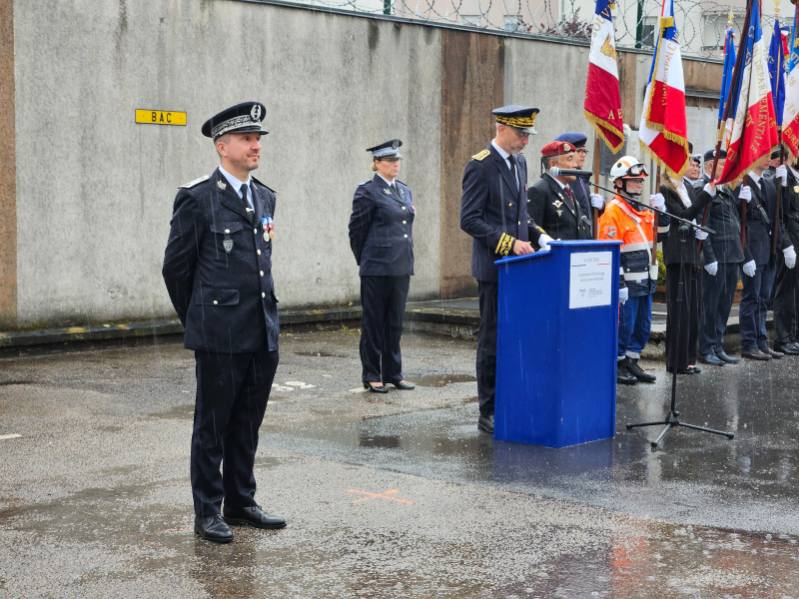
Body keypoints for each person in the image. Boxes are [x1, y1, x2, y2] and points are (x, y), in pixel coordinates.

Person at [162, 101, 286, 543]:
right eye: (247, 139)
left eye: (258, 139)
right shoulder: (197, 198)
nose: (256, 145)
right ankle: (208, 511)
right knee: (212, 426)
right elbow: (177, 270)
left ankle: (241, 500)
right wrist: (202, 319)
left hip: (261, 329)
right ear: (222, 146)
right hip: (220, 332)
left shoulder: (266, 196)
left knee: (247, 421)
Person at [460, 105, 552, 434]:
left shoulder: (520, 163)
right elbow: (469, 219)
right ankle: (489, 409)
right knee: (492, 339)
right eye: (520, 133)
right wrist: (508, 243)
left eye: (528, 134)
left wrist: (541, 236)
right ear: (501, 128)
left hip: (521, 268)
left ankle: (512, 399)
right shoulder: (480, 165)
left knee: (517, 338)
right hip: (495, 267)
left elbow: (521, 217)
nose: (525, 140)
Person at [348, 139, 416, 393]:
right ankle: (372, 374)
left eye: (396, 160)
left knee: (395, 323)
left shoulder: (404, 190)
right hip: (377, 267)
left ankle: (393, 372)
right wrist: (366, 260)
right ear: (376, 164)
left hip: (401, 265)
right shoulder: (367, 191)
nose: (394, 164)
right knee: (374, 323)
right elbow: (357, 231)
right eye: (388, 160)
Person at [597, 156, 667, 385]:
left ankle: (632, 360)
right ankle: (617, 364)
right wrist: (619, 285)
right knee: (623, 326)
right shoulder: (613, 212)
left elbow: (662, 233)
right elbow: (609, 251)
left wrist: (662, 210)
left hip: (645, 281)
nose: (639, 185)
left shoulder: (643, 209)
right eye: (633, 181)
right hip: (627, 282)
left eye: (640, 181)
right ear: (619, 183)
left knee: (642, 325)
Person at [737, 154, 793, 360]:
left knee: (763, 299)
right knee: (751, 298)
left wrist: (783, 186)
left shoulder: (768, 184)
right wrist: (746, 255)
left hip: (769, 251)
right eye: (762, 154)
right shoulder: (742, 184)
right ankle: (749, 343)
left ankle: (761, 341)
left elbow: (779, 217)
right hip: (752, 251)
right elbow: (739, 224)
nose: (767, 158)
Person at [659, 169, 714, 375]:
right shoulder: (666, 189)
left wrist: (698, 227)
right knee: (679, 310)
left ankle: (689, 359)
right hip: (676, 253)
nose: (690, 164)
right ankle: (676, 361)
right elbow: (680, 216)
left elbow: (693, 216)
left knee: (693, 309)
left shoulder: (688, 187)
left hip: (691, 252)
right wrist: (705, 196)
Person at [698, 149, 743, 365]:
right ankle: (705, 348)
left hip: (731, 254)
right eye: (722, 164)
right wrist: (708, 257)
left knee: (724, 304)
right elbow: (702, 224)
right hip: (716, 255)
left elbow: (734, 222)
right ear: (709, 166)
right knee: (710, 304)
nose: (727, 168)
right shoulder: (704, 189)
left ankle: (717, 344)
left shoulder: (724, 190)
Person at [527, 140, 593, 240]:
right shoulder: (539, 191)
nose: (575, 165)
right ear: (553, 164)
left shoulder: (568, 190)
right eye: (570, 159)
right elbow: (532, 234)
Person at [771, 152, 799, 354]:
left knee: (796, 290)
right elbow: (781, 214)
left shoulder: (795, 176)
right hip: (789, 242)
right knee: (786, 290)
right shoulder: (782, 176)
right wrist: (786, 244)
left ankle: (794, 334)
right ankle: (783, 337)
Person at [554, 132, 605, 235]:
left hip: (586, 236)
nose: (583, 155)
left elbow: (585, 210)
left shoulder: (581, 178)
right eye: (579, 151)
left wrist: (600, 207)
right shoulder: (564, 179)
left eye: (584, 151)